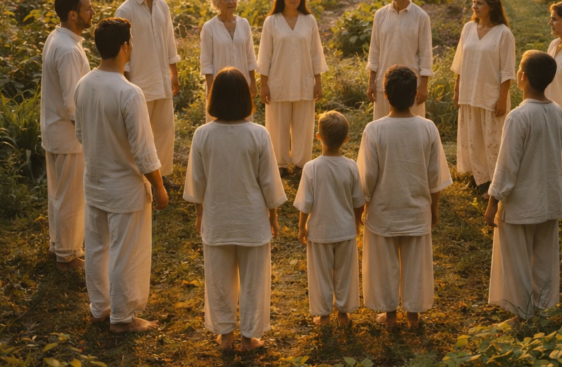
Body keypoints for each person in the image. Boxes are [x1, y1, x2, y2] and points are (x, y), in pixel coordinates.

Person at [74, 18, 168, 333]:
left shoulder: (84, 84)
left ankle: (100, 308)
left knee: (98, 248)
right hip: (124, 187)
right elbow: (143, 150)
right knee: (125, 252)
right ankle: (123, 317)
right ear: (125, 46)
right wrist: (158, 185)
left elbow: (80, 132)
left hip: (95, 181)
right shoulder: (129, 93)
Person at [183, 67, 286, 351]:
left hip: (217, 217)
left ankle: (225, 335)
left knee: (218, 278)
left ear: (213, 97)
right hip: (252, 219)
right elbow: (268, 182)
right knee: (254, 280)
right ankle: (249, 337)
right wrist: (273, 216)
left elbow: (197, 183)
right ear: (246, 97)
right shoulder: (258, 134)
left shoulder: (202, 135)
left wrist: (200, 215)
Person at [358, 65, 452, 329]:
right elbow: (435, 178)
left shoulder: (374, 130)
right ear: (415, 95)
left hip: (383, 211)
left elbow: (367, 180)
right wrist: (434, 209)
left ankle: (390, 315)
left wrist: (362, 210)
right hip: (416, 209)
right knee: (416, 265)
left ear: (385, 95)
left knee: (385, 264)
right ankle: (413, 316)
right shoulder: (428, 128)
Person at [484, 51, 562, 320]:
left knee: (517, 262)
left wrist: (494, 201)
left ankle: (522, 314)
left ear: (522, 77)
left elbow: (507, 165)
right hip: (549, 199)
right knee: (543, 259)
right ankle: (542, 309)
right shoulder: (557, 112)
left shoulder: (518, 117)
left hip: (521, 203)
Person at [40, 0, 93, 270]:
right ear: (73, 15)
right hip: (69, 135)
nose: (92, 12)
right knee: (71, 197)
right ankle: (68, 255)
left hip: (53, 130)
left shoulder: (57, 37)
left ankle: (57, 245)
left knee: (59, 194)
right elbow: (74, 104)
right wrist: (89, 135)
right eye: (87, 9)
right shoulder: (69, 50)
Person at [295, 111, 364, 327]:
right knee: (345, 272)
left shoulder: (311, 168)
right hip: (345, 230)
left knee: (320, 274)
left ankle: (323, 315)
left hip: (320, 231)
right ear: (346, 140)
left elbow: (305, 203)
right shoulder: (351, 166)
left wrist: (302, 227)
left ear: (318, 136)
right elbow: (358, 202)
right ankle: (343, 314)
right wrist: (356, 222)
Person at [116, 0, 180, 178]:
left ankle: (162, 176)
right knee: (141, 133)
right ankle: (142, 176)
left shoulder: (162, 5)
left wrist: (174, 73)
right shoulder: (126, 10)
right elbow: (122, 52)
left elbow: (170, 41)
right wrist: (123, 83)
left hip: (162, 79)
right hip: (139, 82)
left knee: (164, 130)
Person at [258, 0, 327, 174]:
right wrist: (264, 84)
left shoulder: (309, 20)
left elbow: (315, 53)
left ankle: (300, 163)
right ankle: (279, 163)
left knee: (304, 124)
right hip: (278, 81)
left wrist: (318, 81)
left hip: (304, 80)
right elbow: (265, 55)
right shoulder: (272, 22)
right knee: (277, 124)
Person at [452, 0, 515, 193]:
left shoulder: (503, 34)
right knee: (472, 135)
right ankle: (477, 177)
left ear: (492, 6)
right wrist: (457, 89)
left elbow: (507, 70)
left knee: (492, 138)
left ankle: (494, 180)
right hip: (469, 91)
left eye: (479, 3)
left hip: (491, 94)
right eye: (473, 2)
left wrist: (502, 98)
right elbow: (460, 62)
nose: (474, 6)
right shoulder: (468, 28)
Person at [366, 0, 433, 120]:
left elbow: (426, 53)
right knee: (382, 128)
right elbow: (374, 51)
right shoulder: (380, 15)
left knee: (412, 129)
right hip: (384, 84)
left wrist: (423, 85)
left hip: (411, 86)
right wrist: (372, 82)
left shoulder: (421, 17)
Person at [200, 0, 257, 122]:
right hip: (219, 84)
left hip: (242, 81)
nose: (231, 2)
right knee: (218, 120)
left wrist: (252, 82)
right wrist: (211, 88)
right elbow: (206, 61)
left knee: (243, 119)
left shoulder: (244, 24)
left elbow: (250, 55)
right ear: (217, 2)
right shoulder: (209, 27)